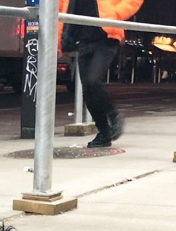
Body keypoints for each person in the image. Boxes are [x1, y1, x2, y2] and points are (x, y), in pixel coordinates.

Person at [60, 0, 144, 147]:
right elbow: (61, 10)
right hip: (82, 39)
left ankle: (114, 116)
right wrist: (60, 38)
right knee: (87, 90)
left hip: (106, 36)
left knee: (93, 81)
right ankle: (104, 133)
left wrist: (116, 14)